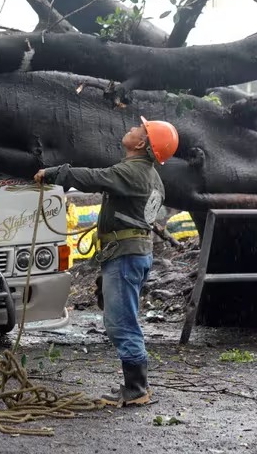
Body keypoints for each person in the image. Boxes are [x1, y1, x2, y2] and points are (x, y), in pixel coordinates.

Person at [34, 116, 179, 407]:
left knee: (121, 321)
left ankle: (137, 389)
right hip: (131, 253)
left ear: (141, 143)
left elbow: (93, 177)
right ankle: (135, 386)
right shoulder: (152, 177)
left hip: (125, 256)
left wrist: (54, 173)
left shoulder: (131, 172)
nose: (131, 128)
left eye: (139, 129)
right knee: (122, 318)